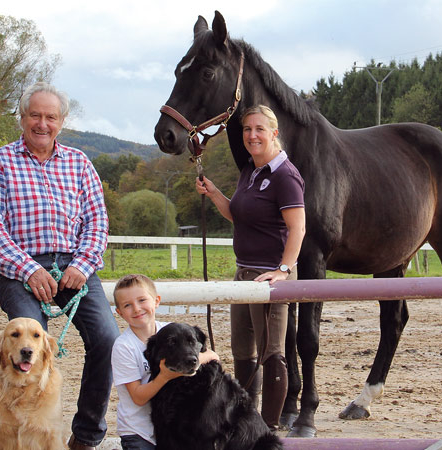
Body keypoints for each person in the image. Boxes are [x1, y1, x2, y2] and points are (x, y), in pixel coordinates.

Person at [0, 81, 120, 450]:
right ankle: (17, 429)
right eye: (35, 115)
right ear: (22, 118)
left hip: (74, 266)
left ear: (62, 121)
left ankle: (86, 436)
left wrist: (84, 265)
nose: (43, 123)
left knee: (107, 337)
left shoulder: (79, 163)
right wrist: (29, 270)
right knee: (29, 341)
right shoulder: (0, 162)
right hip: (21, 269)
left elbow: (97, 222)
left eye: (50, 117)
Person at [195, 104, 306, 430]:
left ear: (274, 133)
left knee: (272, 352)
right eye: (247, 129)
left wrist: (284, 270)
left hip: (270, 277)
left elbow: (298, 228)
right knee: (243, 351)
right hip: (244, 274)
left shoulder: (285, 176)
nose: (252, 135)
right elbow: (240, 216)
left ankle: (268, 428)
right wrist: (214, 193)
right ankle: (247, 421)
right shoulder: (251, 170)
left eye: (259, 129)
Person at [111, 274, 218, 449]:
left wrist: (192, 361)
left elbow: (213, 355)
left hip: (174, 426)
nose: (137, 309)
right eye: (127, 305)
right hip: (138, 432)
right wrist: (165, 376)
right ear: (120, 313)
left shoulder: (170, 332)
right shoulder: (124, 347)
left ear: (156, 301)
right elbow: (138, 397)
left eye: (142, 300)